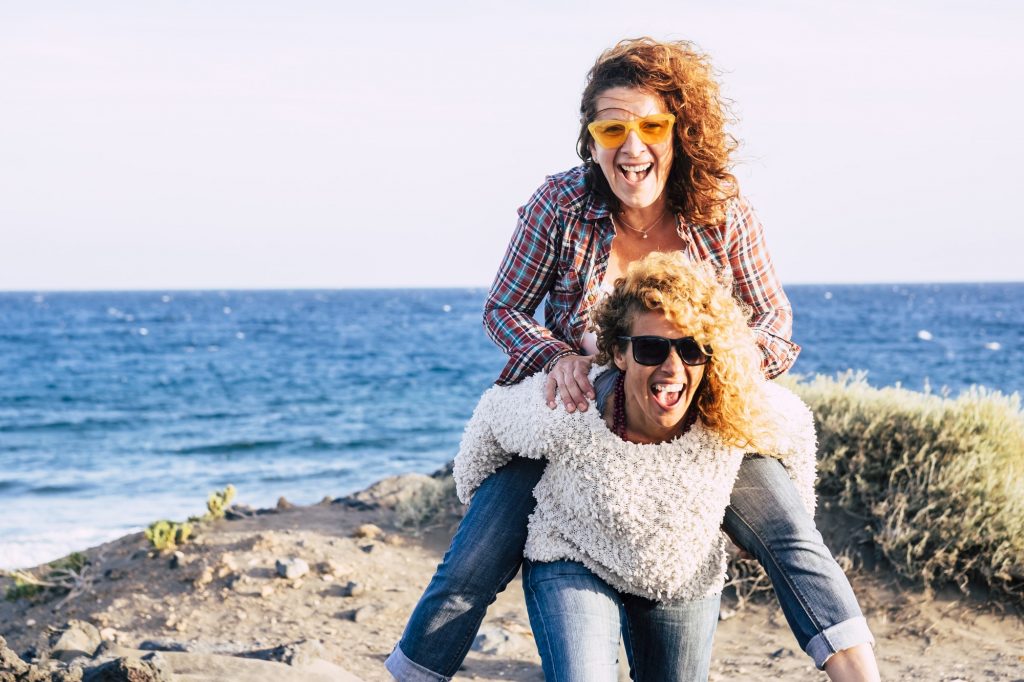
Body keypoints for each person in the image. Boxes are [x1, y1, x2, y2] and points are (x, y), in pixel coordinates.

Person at [387, 38, 878, 681]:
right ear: (591, 138)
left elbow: (774, 323)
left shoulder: (719, 211)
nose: (632, 145)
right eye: (611, 127)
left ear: (679, 130)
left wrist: (718, 365)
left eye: (650, 125)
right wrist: (558, 355)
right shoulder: (559, 205)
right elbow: (502, 310)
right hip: (580, 419)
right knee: (473, 561)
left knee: (791, 535)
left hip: (695, 415)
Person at [454, 254, 817, 680]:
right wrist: (475, 490)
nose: (672, 365)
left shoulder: (730, 411)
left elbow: (795, 434)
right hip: (573, 548)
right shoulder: (572, 404)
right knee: (471, 583)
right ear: (620, 354)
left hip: (679, 566)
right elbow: (493, 419)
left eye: (692, 349)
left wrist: (792, 511)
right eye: (649, 348)